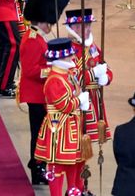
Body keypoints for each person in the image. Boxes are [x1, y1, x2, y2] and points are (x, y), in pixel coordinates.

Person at [18, 0, 72, 185]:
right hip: (35, 94)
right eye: (49, 22)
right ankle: (37, 167)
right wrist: (53, 68)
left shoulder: (38, 37)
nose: (51, 26)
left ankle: (39, 165)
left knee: (42, 132)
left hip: (41, 94)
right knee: (38, 133)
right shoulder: (32, 40)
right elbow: (31, 71)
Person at [34, 37, 91, 196]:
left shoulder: (67, 74)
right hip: (58, 128)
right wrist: (79, 100)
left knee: (73, 162)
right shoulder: (54, 80)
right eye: (69, 56)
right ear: (61, 58)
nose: (73, 57)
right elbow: (64, 105)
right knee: (57, 166)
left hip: (71, 127)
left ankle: (73, 190)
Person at [64, 8, 113, 145]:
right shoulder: (68, 50)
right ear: (72, 28)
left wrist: (107, 77)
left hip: (95, 98)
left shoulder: (92, 47)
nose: (86, 30)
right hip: (79, 100)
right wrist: (94, 73)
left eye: (88, 26)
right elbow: (74, 79)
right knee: (77, 138)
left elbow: (106, 67)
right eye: (81, 27)